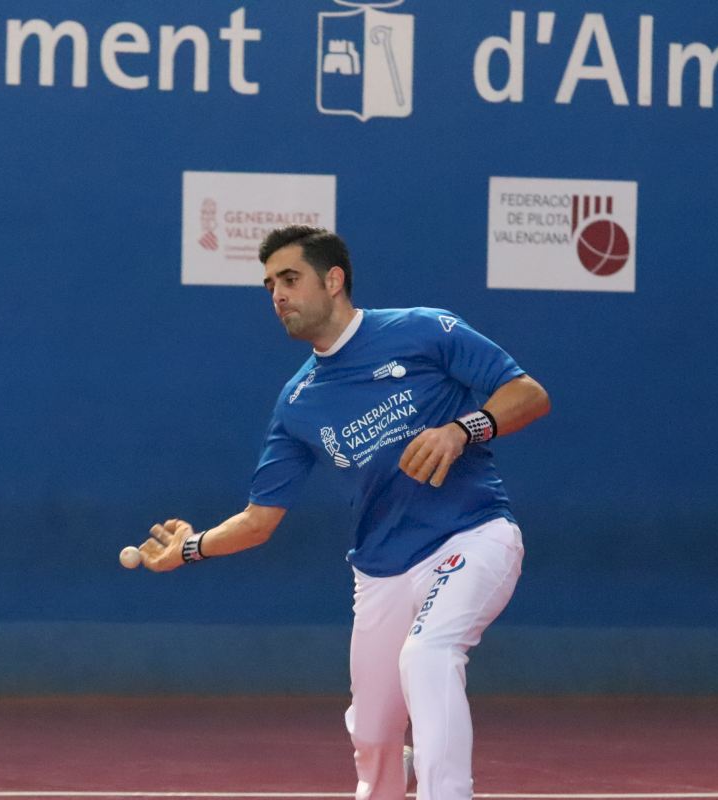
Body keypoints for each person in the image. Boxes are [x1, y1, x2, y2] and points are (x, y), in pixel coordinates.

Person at [138, 225, 550, 800]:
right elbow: (259, 520)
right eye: (269, 285)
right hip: (381, 568)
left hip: (474, 535)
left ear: (333, 280)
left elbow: (528, 393)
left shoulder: (422, 329)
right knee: (375, 736)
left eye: (289, 279)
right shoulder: (298, 402)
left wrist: (462, 429)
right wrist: (189, 547)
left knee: (428, 656)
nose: (277, 295)